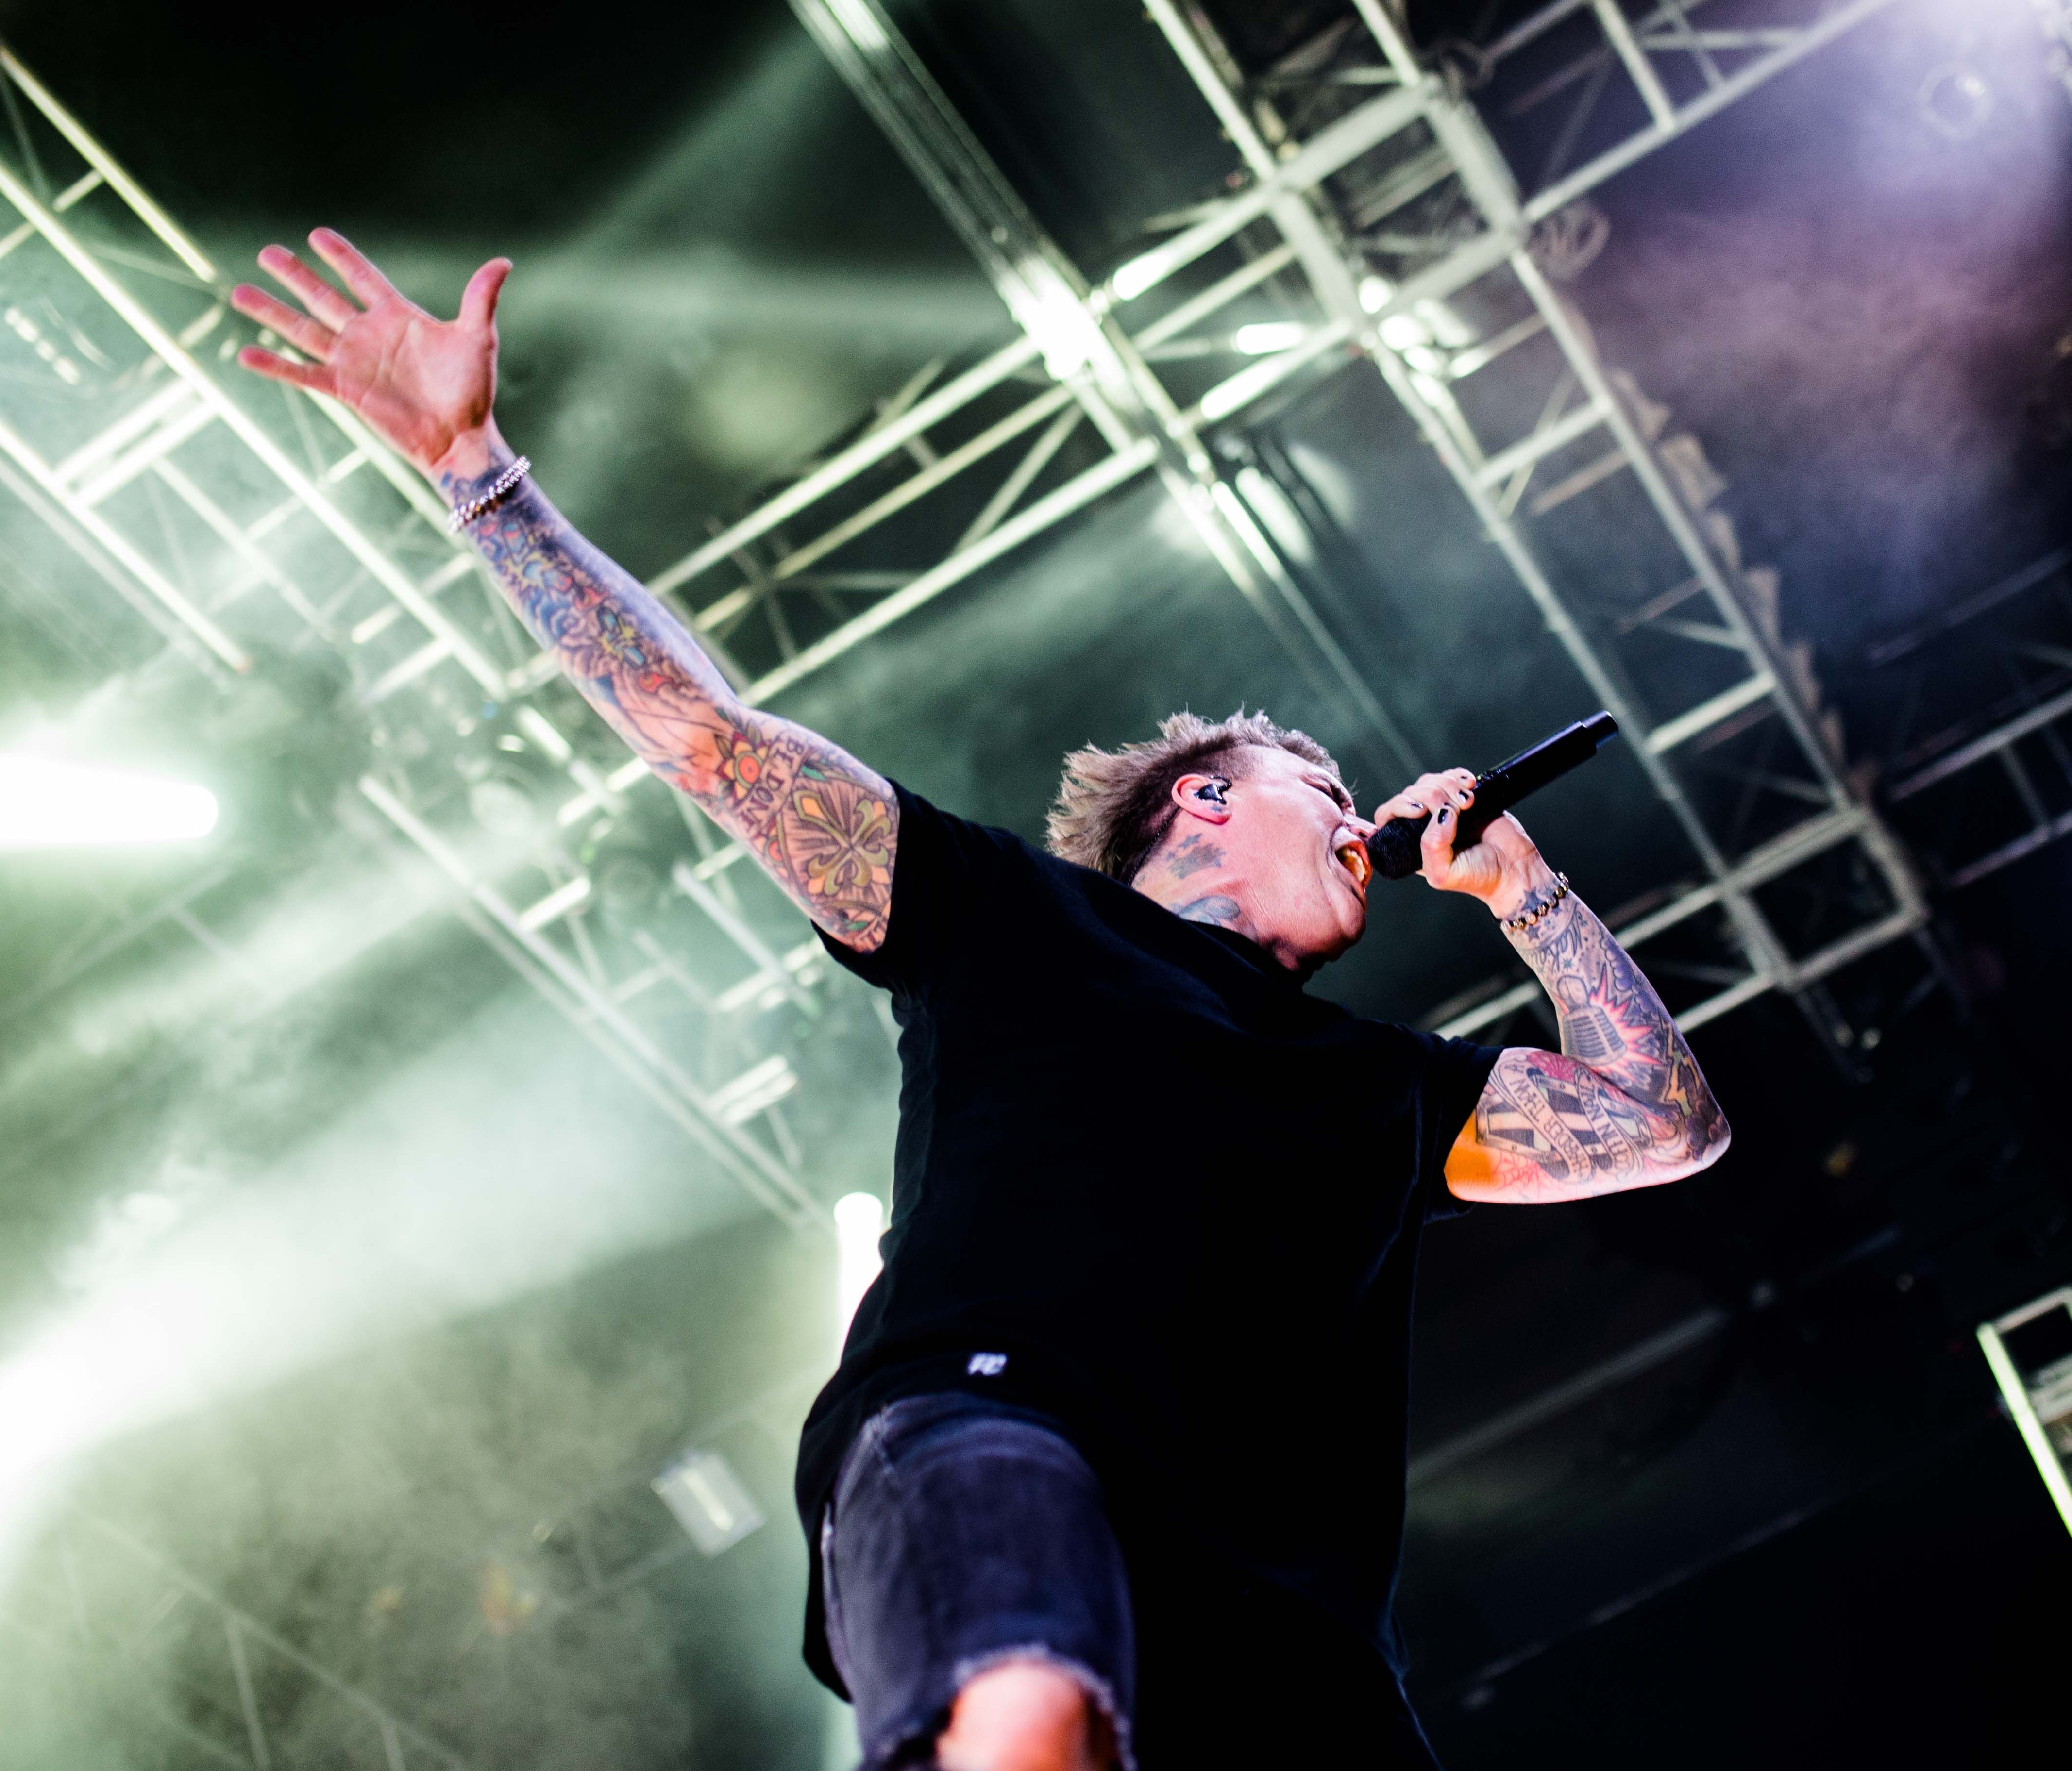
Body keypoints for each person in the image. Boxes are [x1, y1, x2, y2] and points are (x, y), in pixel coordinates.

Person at [234, 231, 1730, 1771]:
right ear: (1210, 799)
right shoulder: (1010, 914)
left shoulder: (1387, 1088)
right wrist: (477, 471)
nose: (1361, 820)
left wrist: (1521, 888)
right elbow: (711, 738)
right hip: (995, 1428)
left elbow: (1665, 1124)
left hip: (1287, 1632)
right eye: (1325, 789)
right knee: (1028, 1716)